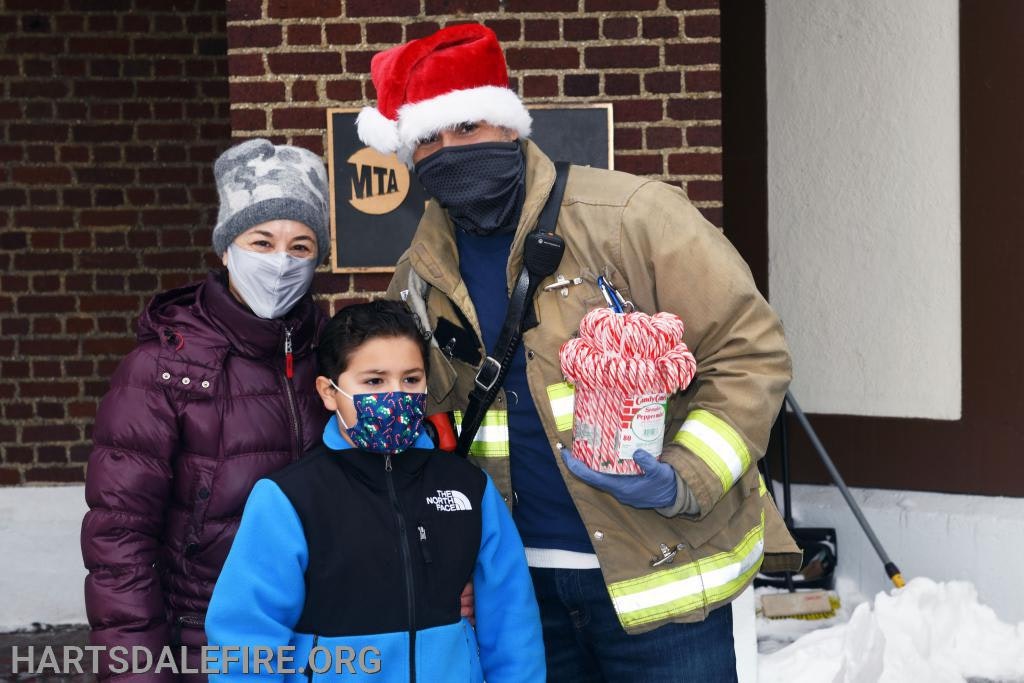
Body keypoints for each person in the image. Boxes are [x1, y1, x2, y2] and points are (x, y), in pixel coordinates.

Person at [355, 23, 803, 682]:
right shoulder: (420, 274)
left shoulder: (631, 217)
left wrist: (686, 475)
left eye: (467, 126)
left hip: (661, 584)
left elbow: (751, 351)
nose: (449, 150)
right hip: (519, 594)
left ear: (510, 124)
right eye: (428, 139)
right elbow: (425, 426)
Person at [80, 138, 334, 681]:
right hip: (204, 634)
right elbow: (119, 540)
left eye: (302, 245)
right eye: (261, 240)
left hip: (328, 637)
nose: (281, 261)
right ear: (226, 248)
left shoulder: (336, 357)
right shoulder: (159, 370)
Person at [205, 300, 545, 682]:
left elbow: (513, 622)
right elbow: (246, 640)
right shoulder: (288, 498)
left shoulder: (468, 488)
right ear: (328, 392)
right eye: (374, 381)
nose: (395, 395)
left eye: (411, 379)